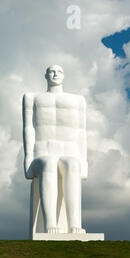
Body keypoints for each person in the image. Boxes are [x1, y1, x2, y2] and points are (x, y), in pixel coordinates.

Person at [22, 65, 87, 234]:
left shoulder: (78, 100)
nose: (55, 74)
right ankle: (50, 223)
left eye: (58, 71)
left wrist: (84, 162)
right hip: (42, 153)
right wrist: (28, 158)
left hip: (69, 151)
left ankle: (75, 224)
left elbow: (82, 132)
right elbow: (29, 128)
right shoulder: (32, 98)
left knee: (72, 163)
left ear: (64, 76)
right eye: (51, 71)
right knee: (49, 162)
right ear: (45, 76)